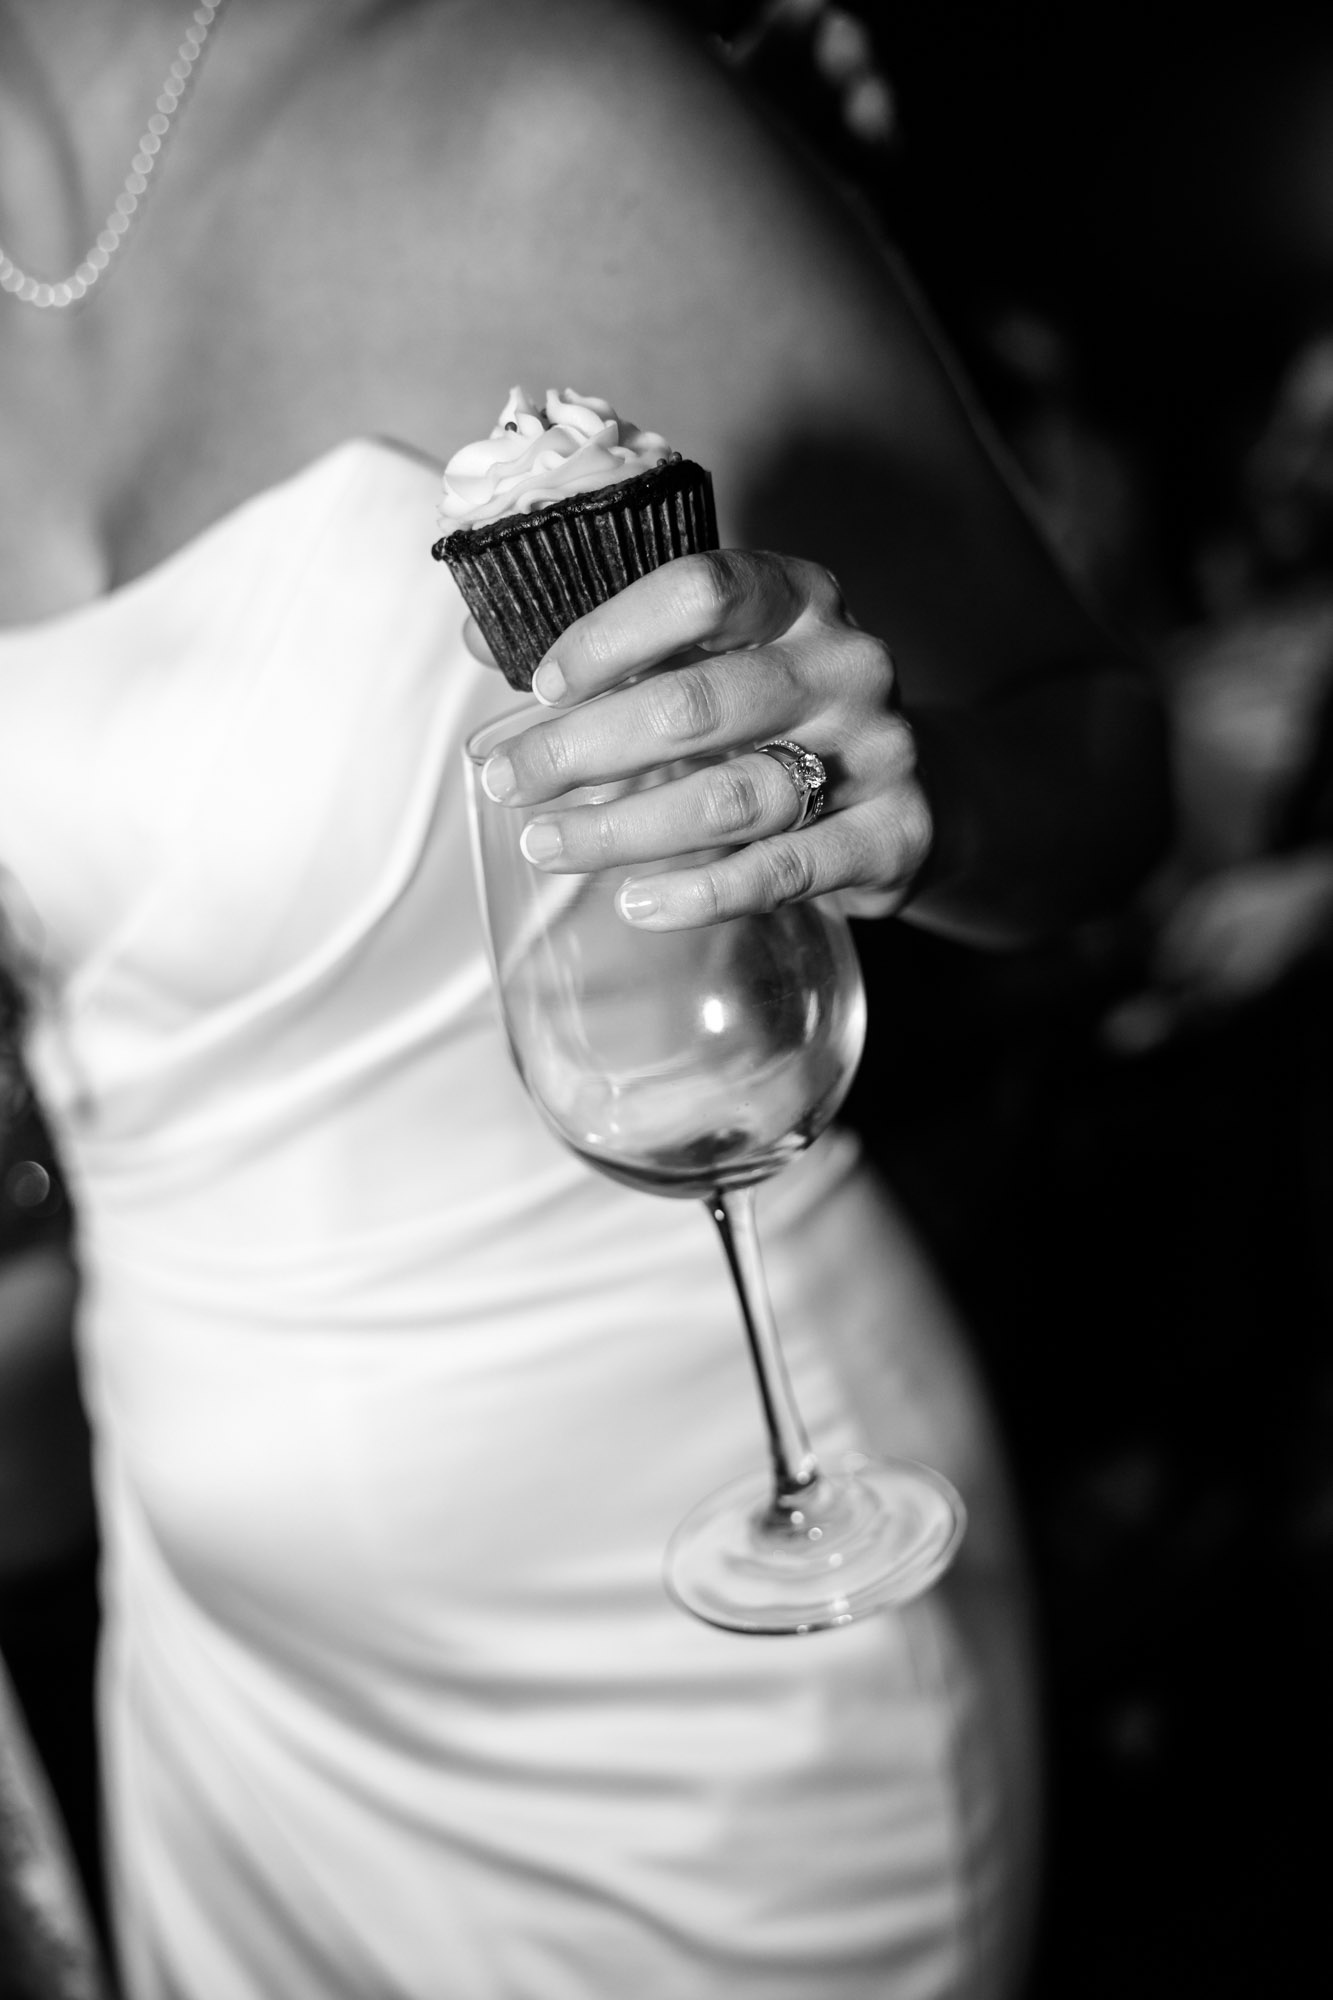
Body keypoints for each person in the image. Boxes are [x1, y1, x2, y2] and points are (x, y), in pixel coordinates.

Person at [0, 1, 1168, 1995]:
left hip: (697, 1655)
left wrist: (904, 800)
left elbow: (1099, 773)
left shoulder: (533, 106)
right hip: (214, 1673)